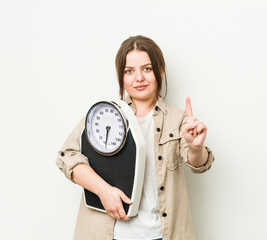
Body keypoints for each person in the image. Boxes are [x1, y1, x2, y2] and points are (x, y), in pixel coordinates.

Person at [56, 35, 214, 240]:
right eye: (129, 71)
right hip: (110, 235)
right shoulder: (103, 115)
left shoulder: (179, 119)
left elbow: (198, 164)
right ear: (121, 76)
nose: (138, 78)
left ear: (161, 71)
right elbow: (66, 156)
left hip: (162, 234)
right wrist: (104, 191)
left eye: (147, 69)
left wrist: (195, 147)